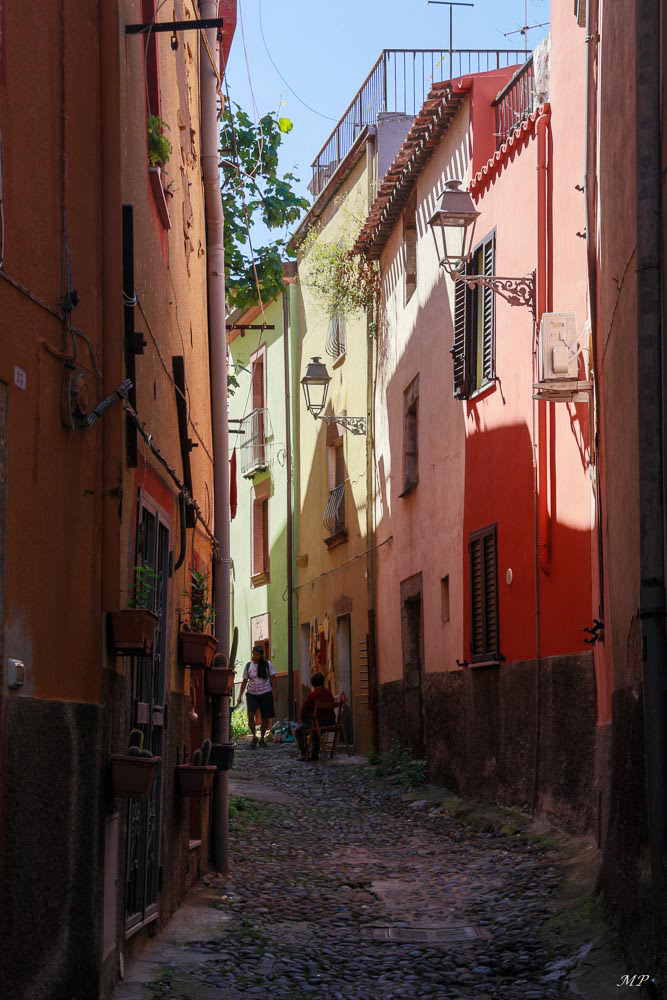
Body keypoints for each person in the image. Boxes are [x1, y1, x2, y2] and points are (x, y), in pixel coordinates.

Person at [235, 645, 277, 748]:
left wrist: (275, 693)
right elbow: (245, 681)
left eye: (257, 654)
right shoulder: (249, 666)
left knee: (265, 718)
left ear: (261, 655)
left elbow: (273, 679)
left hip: (265, 693)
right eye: (253, 654)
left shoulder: (267, 665)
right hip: (252, 694)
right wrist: (240, 695)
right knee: (250, 715)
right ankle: (254, 736)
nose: (255, 656)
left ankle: (262, 739)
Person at [296, 673, 335, 761]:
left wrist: (304, 721)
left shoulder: (312, 695)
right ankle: (314, 753)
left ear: (313, 684)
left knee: (299, 731)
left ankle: (304, 753)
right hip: (330, 722)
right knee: (315, 729)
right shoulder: (329, 694)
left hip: (317, 723)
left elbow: (303, 711)